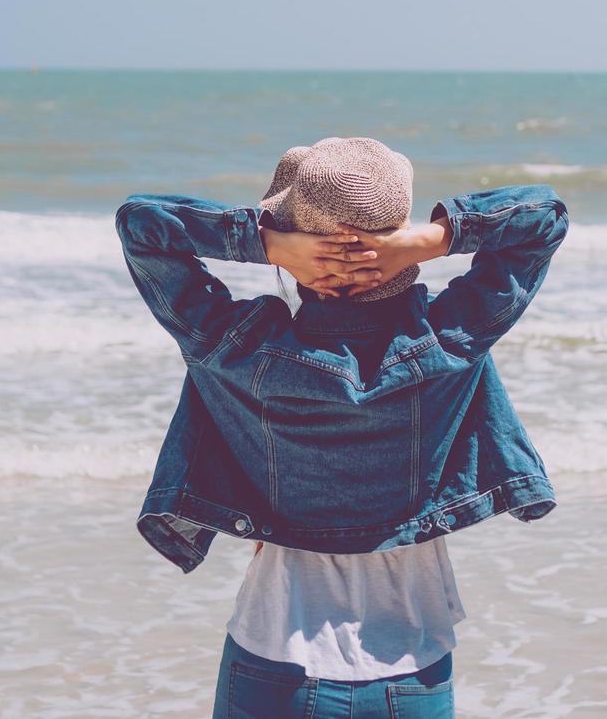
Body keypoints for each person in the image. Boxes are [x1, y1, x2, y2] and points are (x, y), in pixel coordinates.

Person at [114, 136, 569, 718]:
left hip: (274, 658)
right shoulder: (449, 340)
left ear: (296, 242)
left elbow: (142, 224)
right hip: (413, 668)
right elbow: (543, 217)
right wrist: (428, 240)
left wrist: (269, 244)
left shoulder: (237, 349)